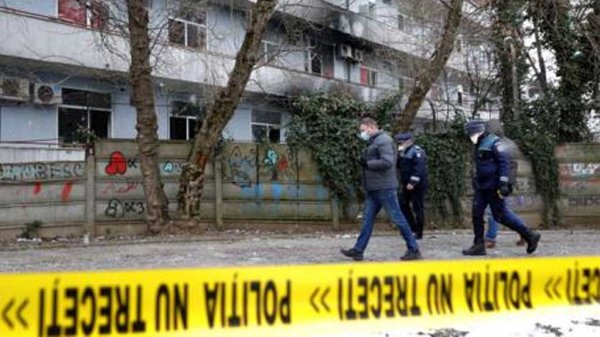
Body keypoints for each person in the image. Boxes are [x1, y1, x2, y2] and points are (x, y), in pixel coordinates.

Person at [341, 117, 421, 261]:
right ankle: (358, 250)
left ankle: (414, 248)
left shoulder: (383, 140)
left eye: (363, 130)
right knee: (367, 220)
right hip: (375, 188)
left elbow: (387, 162)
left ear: (371, 127)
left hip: (384, 188)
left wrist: (367, 163)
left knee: (398, 218)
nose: (362, 133)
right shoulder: (376, 141)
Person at [462, 120, 541, 256]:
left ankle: (529, 235)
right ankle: (478, 245)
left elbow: (504, 162)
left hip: (494, 186)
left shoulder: (495, 142)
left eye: (471, 134)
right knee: (476, 214)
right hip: (482, 186)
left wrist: (503, 183)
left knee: (501, 216)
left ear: (478, 131)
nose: (470, 137)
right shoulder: (479, 143)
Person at [394, 132, 428, 239]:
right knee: (402, 204)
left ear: (409, 141)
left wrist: (412, 182)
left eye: (402, 142)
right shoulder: (404, 152)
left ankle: (419, 232)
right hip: (406, 184)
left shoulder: (417, 152)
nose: (400, 144)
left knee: (418, 208)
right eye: (399, 142)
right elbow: (399, 166)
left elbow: (419, 169)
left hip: (417, 185)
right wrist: (398, 155)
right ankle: (411, 228)